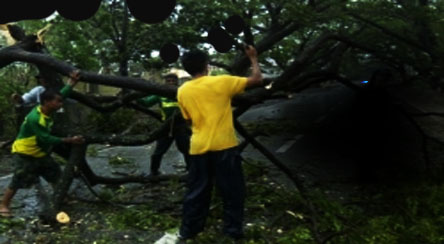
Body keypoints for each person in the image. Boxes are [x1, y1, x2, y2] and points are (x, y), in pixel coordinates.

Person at [176, 45, 263, 241]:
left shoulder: (182, 91)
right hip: (224, 146)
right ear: (206, 65)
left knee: (196, 191)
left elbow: (188, 120)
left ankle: (188, 231)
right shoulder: (222, 82)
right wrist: (253, 58)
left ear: (188, 68)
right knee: (232, 190)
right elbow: (257, 80)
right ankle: (232, 232)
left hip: (198, 147)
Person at [0, 70, 85, 218]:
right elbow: (45, 139)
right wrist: (69, 140)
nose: (60, 104)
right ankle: (3, 204)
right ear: (47, 102)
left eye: (60, 101)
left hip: (40, 152)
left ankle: (61, 197)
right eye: (57, 102)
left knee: (55, 173)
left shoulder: (48, 110)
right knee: (19, 179)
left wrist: (72, 82)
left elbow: (62, 94)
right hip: (25, 153)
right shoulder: (35, 118)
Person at [137, 73, 190, 176]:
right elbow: (146, 103)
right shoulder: (160, 95)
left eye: (173, 81)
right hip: (166, 127)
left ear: (177, 82)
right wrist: (134, 97)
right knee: (159, 151)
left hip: (181, 127)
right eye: (168, 81)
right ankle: (154, 172)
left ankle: (191, 171)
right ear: (165, 82)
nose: (170, 83)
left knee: (187, 150)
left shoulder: (182, 94)